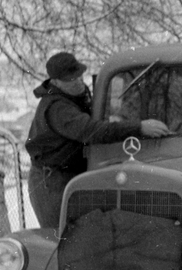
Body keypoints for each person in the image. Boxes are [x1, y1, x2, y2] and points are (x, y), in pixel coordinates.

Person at [25, 52, 172, 228]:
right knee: (60, 237)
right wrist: (138, 127)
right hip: (52, 182)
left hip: (69, 175)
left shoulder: (74, 97)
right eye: (71, 80)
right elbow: (92, 131)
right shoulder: (58, 108)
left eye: (79, 76)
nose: (78, 81)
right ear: (55, 82)